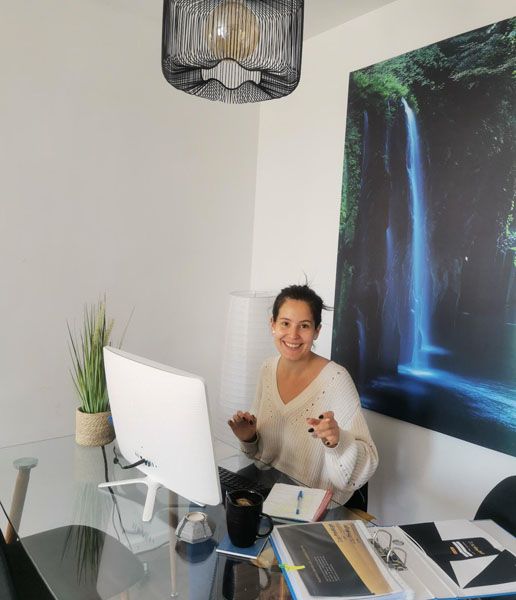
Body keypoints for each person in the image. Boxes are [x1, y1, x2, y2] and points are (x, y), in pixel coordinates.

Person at [228, 284, 378, 506]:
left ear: (317, 331)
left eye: (304, 326)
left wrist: (338, 441)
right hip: (267, 488)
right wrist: (249, 437)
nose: (293, 335)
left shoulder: (336, 379)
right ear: (272, 324)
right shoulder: (267, 368)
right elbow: (258, 456)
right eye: (285, 323)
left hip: (311, 504)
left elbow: (367, 460)